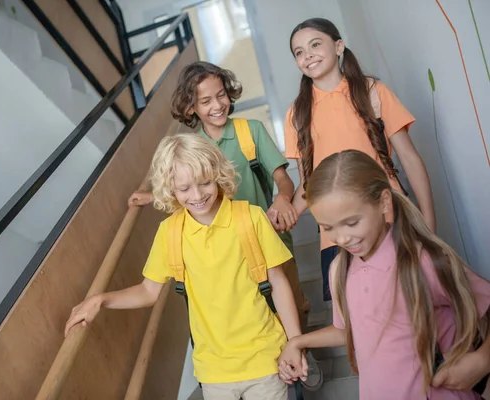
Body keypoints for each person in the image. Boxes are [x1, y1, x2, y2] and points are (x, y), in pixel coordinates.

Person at [66, 134, 305, 400]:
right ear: (170, 190)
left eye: (204, 183)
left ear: (218, 175)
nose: (197, 195)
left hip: (265, 358)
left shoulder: (250, 217)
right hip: (213, 370)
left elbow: (279, 283)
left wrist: (295, 342)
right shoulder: (170, 233)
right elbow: (148, 291)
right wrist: (100, 300)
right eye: (184, 189)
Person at [129, 61, 322, 390]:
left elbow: (281, 178)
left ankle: (300, 352)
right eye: (206, 101)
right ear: (191, 106)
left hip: (265, 238)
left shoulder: (250, 132)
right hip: (227, 251)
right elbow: (187, 185)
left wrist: (282, 199)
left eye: (221, 96)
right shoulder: (194, 149)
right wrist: (152, 196)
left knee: (288, 305)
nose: (217, 105)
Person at [277, 149, 490, 400]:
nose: (342, 238)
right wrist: (297, 343)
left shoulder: (422, 261)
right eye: (327, 228)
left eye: (352, 222)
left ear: (384, 202)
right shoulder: (339, 272)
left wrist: (482, 360)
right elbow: (348, 330)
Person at [284, 17, 436, 303]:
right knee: (361, 324)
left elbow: (411, 160)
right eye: (299, 52)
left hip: (388, 217)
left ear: (338, 46)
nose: (308, 55)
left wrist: (428, 224)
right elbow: (309, 187)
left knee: (415, 309)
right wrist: (284, 213)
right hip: (335, 236)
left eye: (315, 44)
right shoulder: (296, 114)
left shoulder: (374, 93)